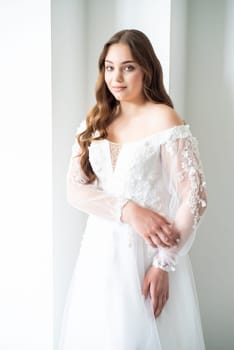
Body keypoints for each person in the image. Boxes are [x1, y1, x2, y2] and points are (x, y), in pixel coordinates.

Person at [58, 29, 207, 350]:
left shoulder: (164, 119)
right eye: (109, 67)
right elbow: (75, 191)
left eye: (128, 67)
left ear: (146, 70)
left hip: (147, 255)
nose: (117, 77)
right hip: (98, 254)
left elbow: (194, 197)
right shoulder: (94, 122)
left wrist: (163, 263)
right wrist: (128, 210)